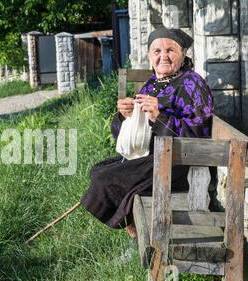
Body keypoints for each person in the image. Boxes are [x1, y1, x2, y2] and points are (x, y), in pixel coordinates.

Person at [80, 28, 214, 239]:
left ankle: (136, 237)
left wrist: (159, 116)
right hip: (153, 156)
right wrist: (124, 117)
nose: (163, 56)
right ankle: (134, 231)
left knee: (106, 179)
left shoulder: (193, 84)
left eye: (170, 50)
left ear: (184, 52)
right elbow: (124, 135)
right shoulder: (153, 83)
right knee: (98, 171)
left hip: (179, 164)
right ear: (149, 55)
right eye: (157, 51)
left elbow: (198, 136)